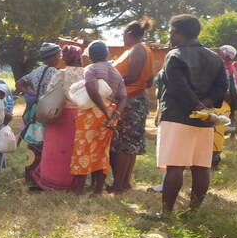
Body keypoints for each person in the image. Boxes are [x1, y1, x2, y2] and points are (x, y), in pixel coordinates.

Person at [157, 14, 227, 216]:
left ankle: (166, 214)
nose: (171, 36)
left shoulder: (174, 55)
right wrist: (203, 107)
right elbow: (222, 85)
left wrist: (195, 105)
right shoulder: (215, 57)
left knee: (175, 167)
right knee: (201, 166)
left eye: (171, 32)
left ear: (178, 32)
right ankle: (192, 212)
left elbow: (178, 86)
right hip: (205, 120)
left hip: (178, 117)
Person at [70, 41, 126, 194]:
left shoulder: (91, 68)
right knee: (102, 152)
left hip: (91, 112)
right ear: (107, 54)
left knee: (83, 149)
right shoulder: (116, 73)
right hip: (109, 115)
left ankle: (80, 191)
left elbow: (92, 90)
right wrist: (113, 116)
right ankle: (98, 190)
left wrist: (104, 111)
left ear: (91, 55)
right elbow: (123, 98)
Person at [109, 18, 154, 192]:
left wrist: (110, 80)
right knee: (130, 144)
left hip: (131, 100)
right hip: (135, 97)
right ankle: (124, 182)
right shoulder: (142, 50)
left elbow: (133, 76)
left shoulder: (137, 50)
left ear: (129, 34)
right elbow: (149, 81)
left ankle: (118, 184)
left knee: (123, 144)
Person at [30, 45, 84, 191]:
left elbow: (49, 93)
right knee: (73, 150)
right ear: (80, 57)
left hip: (59, 115)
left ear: (65, 58)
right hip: (79, 116)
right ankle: (71, 183)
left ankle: (50, 181)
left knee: (54, 149)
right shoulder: (86, 73)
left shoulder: (60, 74)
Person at [16, 42, 62, 181]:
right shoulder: (56, 73)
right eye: (58, 54)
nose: (60, 57)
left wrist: (33, 93)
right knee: (47, 143)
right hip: (49, 110)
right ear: (53, 56)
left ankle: (29, 175)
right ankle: (42, 175)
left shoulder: (36, 71)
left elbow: (19, 83)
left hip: (37, 110)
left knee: (34, 142)